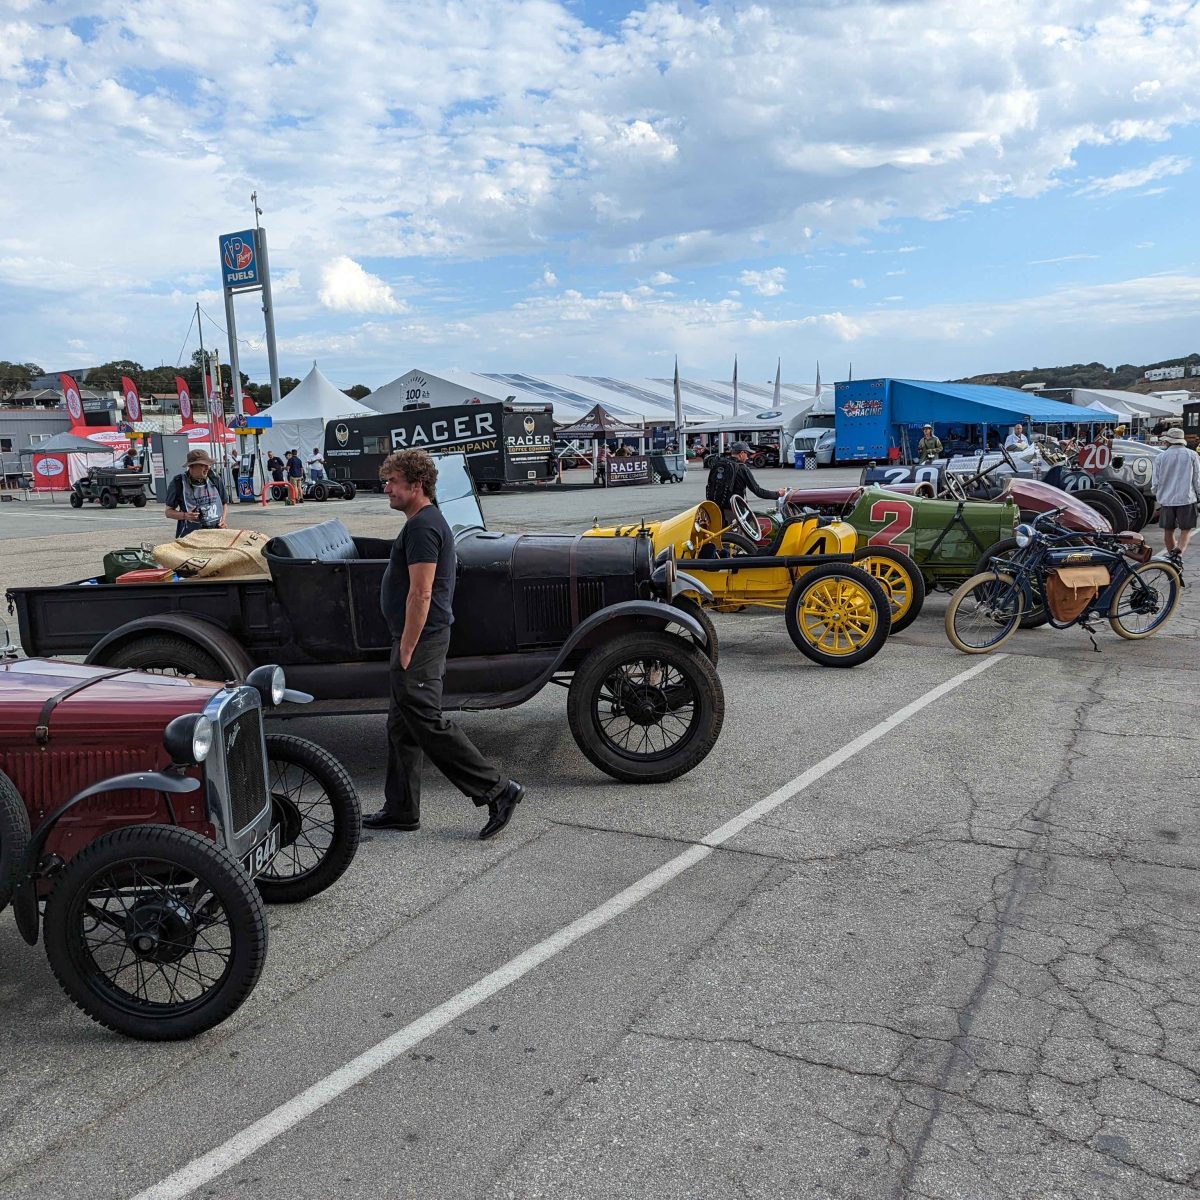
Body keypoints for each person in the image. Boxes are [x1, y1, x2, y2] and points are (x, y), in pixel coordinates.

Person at [363, 449, 523, 838]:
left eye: (393, 482)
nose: (387, 488)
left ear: (417, 485)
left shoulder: (422, 527)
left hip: (420, 639)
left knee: (427, 722)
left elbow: (422, 594)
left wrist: (407, 647)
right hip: (416, 637)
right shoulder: (422, 521)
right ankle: (401, 808)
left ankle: (498, 790)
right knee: (401, 726)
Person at [705, 441, 785, 527]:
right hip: (735, 510)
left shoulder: (719, 465)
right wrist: (778, 494)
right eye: (747, 454)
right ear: (741, 453)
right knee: (741, 536)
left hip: (715, 509)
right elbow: (758, 491)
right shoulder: (741, 468)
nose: (748, 457)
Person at [1150, 427, 1200, 561]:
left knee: (1168, 530)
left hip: (1166, 499)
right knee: (1186, 529)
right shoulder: (1192, 455)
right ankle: (1178, 553)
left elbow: (1155, 481)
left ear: (1168, 442)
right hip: (1187, 498)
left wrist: (1157, 493)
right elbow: (1197, 478)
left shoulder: (1160, 457)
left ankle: (1172, 557)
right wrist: (1199, 494)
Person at [164, 449, 228, 537]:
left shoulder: (214, 478)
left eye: (208, 465)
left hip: (216, 534)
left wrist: (223, 520)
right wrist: (185, 516)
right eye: (203, 465)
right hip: (191, 536)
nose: (207, 468)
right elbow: (168, 512)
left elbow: (224, 503)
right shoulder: (179, 483)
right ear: (191, 467)